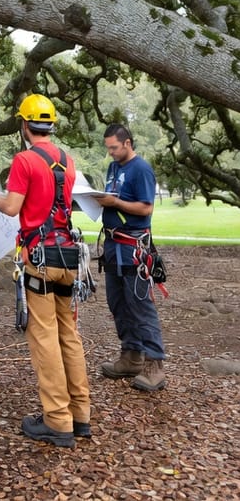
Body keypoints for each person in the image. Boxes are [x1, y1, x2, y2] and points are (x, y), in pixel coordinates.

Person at [0, 94, 91, 448]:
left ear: (24, 125)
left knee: (44, 338)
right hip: (69, 259)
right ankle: (80, 415)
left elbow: (12, 207)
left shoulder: (25, 160)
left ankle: (58, 421)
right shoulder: (67, 161)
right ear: (50, 125)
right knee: (68, 336)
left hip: (40, 260)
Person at [97, 122, 167, 392]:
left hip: (133, 247)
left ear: (127, 143)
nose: (111, 153)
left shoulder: (141, 169)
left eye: (114, 147)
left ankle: (155, 365)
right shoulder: (114, 167)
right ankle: (131, 355)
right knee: (118, 303)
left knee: (140, 305)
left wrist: (116, 204)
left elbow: (145, 207)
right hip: (113, 245)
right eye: (108, 148)